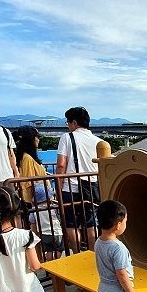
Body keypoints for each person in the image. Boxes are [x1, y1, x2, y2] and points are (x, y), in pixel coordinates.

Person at [56, 106, 105, 252]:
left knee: (71, 224)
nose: (68, 126)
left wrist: (58, 188)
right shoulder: (98, 141)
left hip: (71, 187)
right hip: (92, 187)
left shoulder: (67, 138)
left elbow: (61, 165)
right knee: (90, 223)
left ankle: (77, 254)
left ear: (74, 123)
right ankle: (92, 253)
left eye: (68, 122)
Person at [14, 125, 48, 205]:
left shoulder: (28, 156)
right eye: (37, 137)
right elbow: (27, 183)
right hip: (38, 200)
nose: (38, 140)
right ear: (31, 139)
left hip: (40, 198)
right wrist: (29, 203)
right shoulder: (27, 158)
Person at [30, 183, 64, 261]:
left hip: (44, 234)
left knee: (49, 250)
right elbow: (60, 217)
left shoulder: (34, 209)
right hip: (57, 232)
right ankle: (55, 260)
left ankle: (49, 261)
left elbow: (31, 220)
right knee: (59, 249)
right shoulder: (54, 206)